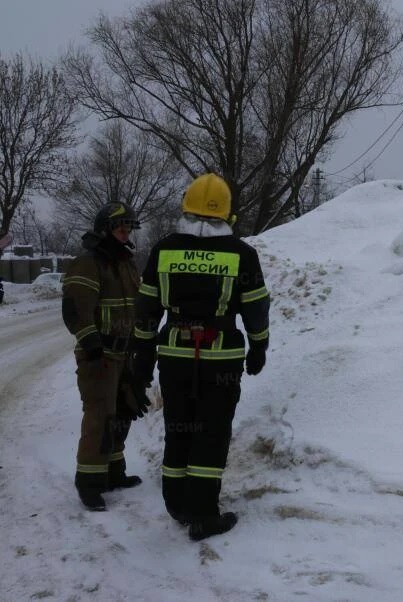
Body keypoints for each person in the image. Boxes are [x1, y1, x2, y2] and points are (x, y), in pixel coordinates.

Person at [132, 173, 270, 541]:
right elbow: (256, 308)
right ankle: (204, 516)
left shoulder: (164, 250)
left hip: (174, 358)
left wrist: (142, 357)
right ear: (227, 214)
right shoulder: (242, 254)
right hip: (221, 360)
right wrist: (259, 346)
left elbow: (146, 309)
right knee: (211, 432)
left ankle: (178, 505)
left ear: (186, 208)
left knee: (179, 427)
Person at [62, 202, 150, 511]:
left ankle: (113, 472)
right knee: (100, 416)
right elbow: (75, 309)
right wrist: (92, 345)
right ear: (104, 229)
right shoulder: (88, 263)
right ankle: (88, 483)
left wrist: (139, 345)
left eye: (128, 228)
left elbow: (135, 307)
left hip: (124, 354)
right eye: (119, 228)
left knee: (124, 412)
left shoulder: (126, 262)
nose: (125, 233)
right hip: (99, 356)